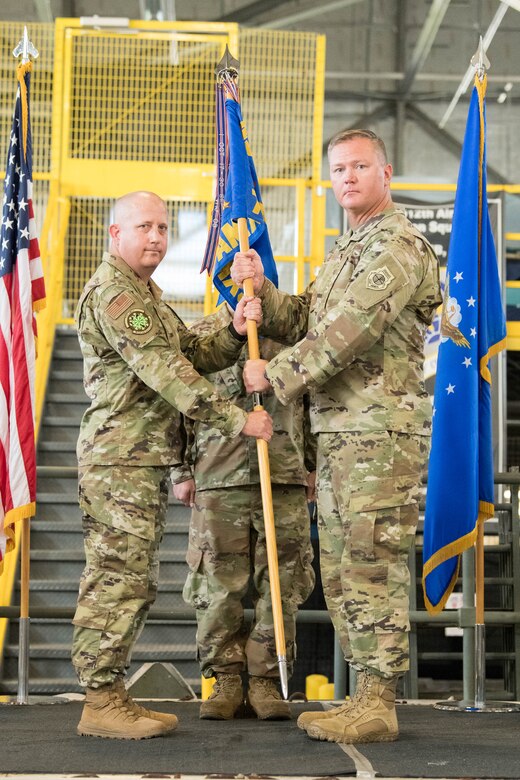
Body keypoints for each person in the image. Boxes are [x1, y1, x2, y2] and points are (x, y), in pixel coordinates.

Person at [230, 129, 442, 745]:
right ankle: (361, 697)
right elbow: (311, 317)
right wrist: (262, 294)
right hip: (341, 433)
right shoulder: (346, 248)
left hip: (379, 434)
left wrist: (275, 374)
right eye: (338, 169)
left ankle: (379, 700)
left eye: (359, 166)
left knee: (371, 561)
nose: (346, 177)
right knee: (344, 568)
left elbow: (349, 331)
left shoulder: (399, 246)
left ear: (387, 172)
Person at [71, 191, 272, 741]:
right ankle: (99, 699)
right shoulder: (116, 294)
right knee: (116, 580)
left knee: (134, 581)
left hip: (140, 462)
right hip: (119, 461)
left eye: (162, 227)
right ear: (116, 234)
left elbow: (191, 354)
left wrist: (232, 332)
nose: (156, 237)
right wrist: (237, 419)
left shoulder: (148, 295)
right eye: (143, 227)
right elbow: (166, 372)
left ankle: (111, 694)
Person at [172, 304, 316, 721]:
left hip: (283, 472)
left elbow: (310, 405)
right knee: (218, 585)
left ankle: (268, 678)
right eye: (234, 270)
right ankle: (225, 678)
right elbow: (180, 402)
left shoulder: (291, 336)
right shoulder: (201, 338)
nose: (243, 279)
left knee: (282, 583)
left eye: (251, 268)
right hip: (218, 475)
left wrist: (311, 465)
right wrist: (181, 470)